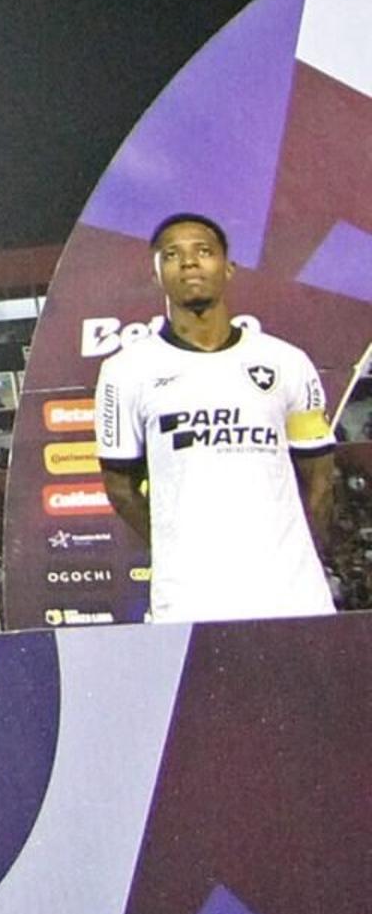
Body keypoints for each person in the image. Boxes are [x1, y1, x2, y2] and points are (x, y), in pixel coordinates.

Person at [93, 212, 340, 621]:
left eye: (203, 251)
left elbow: (320, 477)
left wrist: (298, 555)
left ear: (227, 268)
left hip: (294, 596)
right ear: (157, 275)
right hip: (192, 600)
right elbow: (119, 487)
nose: (189, 262)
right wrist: (176, 550)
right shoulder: (125, 371)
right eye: (172, 254)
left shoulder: (287, 362)